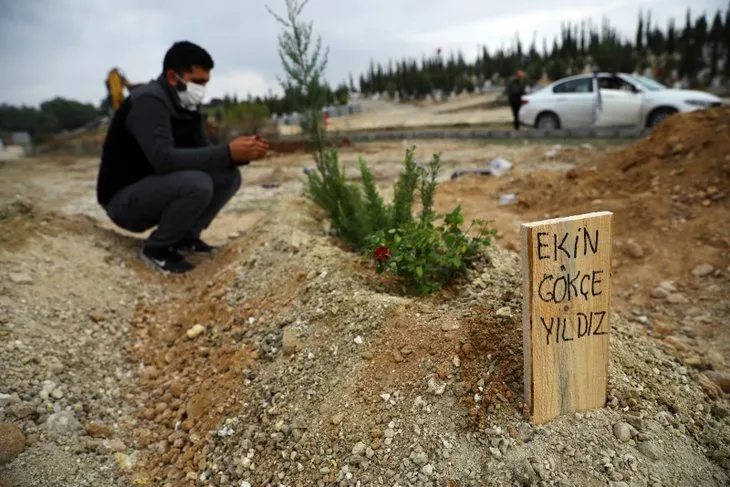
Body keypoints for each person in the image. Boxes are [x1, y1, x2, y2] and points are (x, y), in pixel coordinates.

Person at [96, 41, 269, 273]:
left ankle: (185, 238)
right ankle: (157, 248)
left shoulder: (187, 107)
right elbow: (164, 159)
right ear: (172, 76)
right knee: (198, 184)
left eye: (205, 83)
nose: (201, 89)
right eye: (197, 82)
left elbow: (205, 154)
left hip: (157, 187)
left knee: (228, 176)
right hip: (123, 201)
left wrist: (242, 153)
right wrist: (227, 151)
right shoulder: (148, 101)